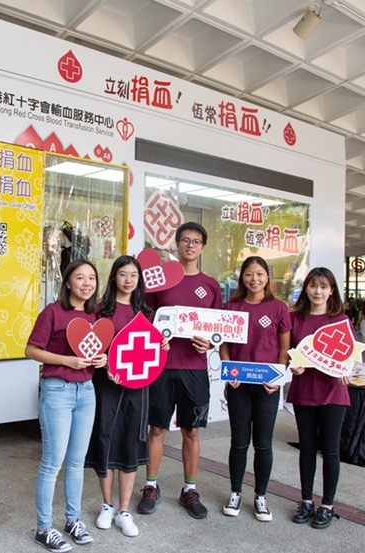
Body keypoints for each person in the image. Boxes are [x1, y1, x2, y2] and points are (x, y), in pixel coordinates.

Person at [138, 222, 222, 519]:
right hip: (161, 366)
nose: (190, 245)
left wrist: (208, 345)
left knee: (191, 431)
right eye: (185, 240)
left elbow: (217, 330)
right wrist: (152, 337)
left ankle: (189, 489)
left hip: (194, 369)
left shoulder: (211, 285)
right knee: (157, 428)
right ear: (176, 243)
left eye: (196, 241)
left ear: (202, 247)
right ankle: (151, 485)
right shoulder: (161, 278)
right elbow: (146, 317)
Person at [26, 259, 107, 552]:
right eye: (80, 278)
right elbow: (31, 350)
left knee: (76, 463)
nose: (87, 284)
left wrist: (104, 359)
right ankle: (43, 528)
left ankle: (72, 520)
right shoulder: (52, 312)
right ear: (68, 282)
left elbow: (101, 349)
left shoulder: (96, 315)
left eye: (92, 279)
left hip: (86, 391)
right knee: (52, 463)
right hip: (57, 390)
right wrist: (66, 361)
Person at [86, 255, 169, 538]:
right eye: (123, 274)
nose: (128, 280)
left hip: (138, 388)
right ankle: (106, 505)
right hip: (107, 385)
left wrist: (163, 345)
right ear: (114, 278)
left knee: (132, 440)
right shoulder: (100, 310)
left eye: (134, 275)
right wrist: (106, 365)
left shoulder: (145, 312)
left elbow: (150, 350)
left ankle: (124, 510)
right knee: (105, 439)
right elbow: (92, 347)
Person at [219, 256, 291, 522]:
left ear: (267, 278)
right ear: (242, 278)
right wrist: (228, 371)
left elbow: (284, 349)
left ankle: (260, 496)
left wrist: (278, 378)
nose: (254, 279)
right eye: (249, 274)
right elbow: (224, 344)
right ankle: (235, 492)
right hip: (239, 385)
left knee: (263, 444)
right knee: (239, 443)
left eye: (259, 274)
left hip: (266, 387)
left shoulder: (278, 308)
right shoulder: (232, 306)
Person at [288, 267, 353, 530]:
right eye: (314, 285)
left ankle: (327, 505)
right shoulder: (295, 319)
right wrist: (292, 365)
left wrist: (347, 369)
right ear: (306, 288)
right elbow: (287, 352)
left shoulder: (341, 321)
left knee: (330, 451)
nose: (318, 291)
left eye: (324, 286)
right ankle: (305, 501)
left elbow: (351, 356)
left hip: (333, 394)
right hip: (304, 391)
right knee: (306, 448)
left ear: (332, 291)